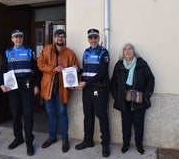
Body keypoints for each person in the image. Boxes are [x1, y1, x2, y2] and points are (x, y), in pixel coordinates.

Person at [37, 29, 80, 153]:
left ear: (64, 38)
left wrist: (75, 70)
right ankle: (52, 137)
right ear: (54, 38)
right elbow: (40, 65)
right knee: (51, 114)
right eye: (57, 36)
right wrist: (53, 69)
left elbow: (76, 68)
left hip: (63, 90)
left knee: (62, 114)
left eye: (62, 36)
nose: (60, 38)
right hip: (48, 88)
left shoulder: (70, 53)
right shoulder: (46, 50)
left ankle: (65, 139)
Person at [0, 29, 40, 156]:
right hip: (13, 86)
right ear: (12, 39)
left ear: (23, 39)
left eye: (20, 37)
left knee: (28, 114)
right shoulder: (7, 52)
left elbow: (36, 70)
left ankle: (29, 142)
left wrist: (36, 85)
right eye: (15, 37)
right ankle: (18, 137)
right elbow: (2, 70)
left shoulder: (29, 51)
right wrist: (2, 84)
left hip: (27, 85)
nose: (18, 39)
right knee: (15, 113)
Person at [110, 43, 155, 155]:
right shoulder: (119, 65)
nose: (128, 51)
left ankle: (139, 145)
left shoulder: (141, 64)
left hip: (138, 98)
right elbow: (113, 82)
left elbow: (150, 79)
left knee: (139, 124)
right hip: (124, 100)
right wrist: (116, 96)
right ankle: (126, 144)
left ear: (134, 51)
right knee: (125, 124)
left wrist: (146, 95)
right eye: (125, 49)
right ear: (123, 53)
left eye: (130, 49)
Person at [75, 29, 111, 157]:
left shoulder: (103, 52)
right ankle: (88, 141)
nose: (93, 40)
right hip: (87, 89)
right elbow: (86, 70)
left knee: (101, 116)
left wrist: (86, 82)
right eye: (91, 38)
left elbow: (102, 73)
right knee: (88, 116)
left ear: (98, 38)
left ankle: (105, 144)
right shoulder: (86, 52)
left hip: (99, 89)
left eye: (95, 37)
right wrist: (78, 70)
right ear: (88, 39)